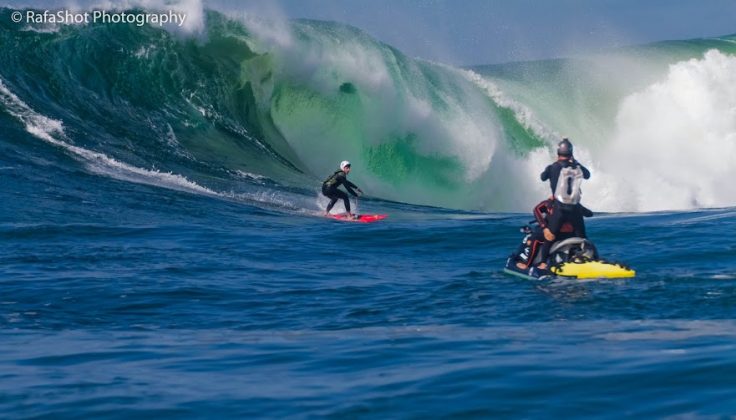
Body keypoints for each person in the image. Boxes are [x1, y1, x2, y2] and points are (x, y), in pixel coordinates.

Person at [535, 138, 591, 270]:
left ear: (558, 153)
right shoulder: (576, 167)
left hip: (559, 209)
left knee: (550, 237)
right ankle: (586, 258)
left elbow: (542, 177)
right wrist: (576, 162)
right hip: (575, 209)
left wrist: (549, 170)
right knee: (582, 237)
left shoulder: (552, 167)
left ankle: (543, 263)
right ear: (571, 153)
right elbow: (588, 175)